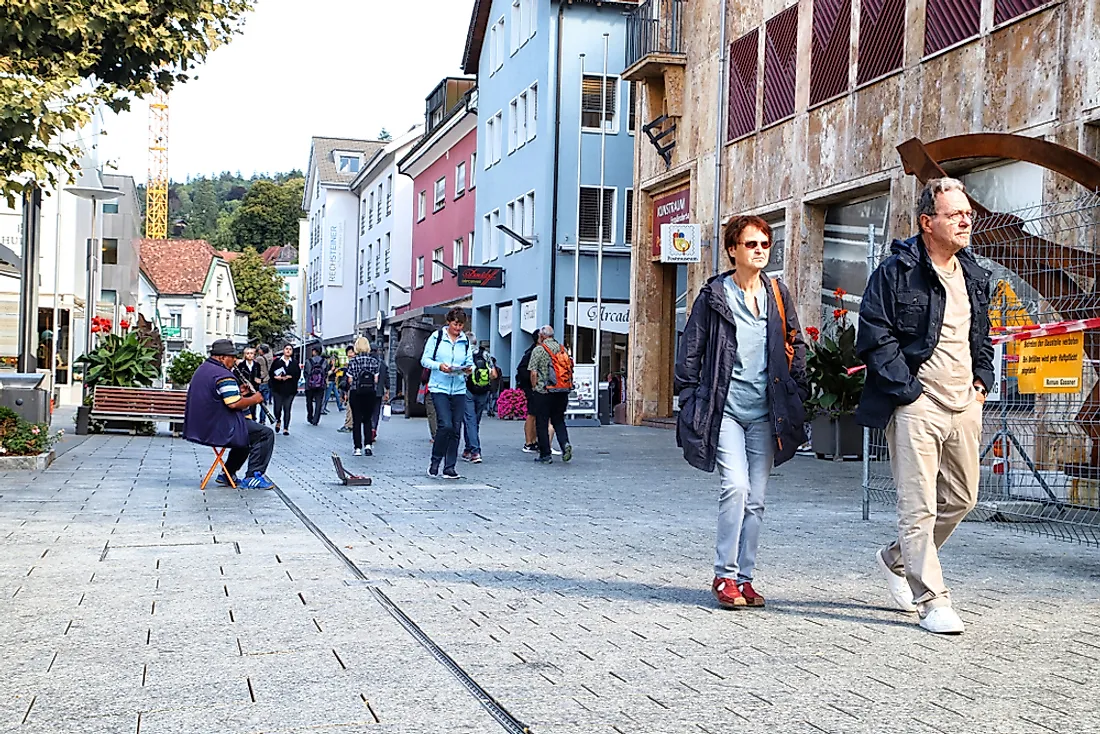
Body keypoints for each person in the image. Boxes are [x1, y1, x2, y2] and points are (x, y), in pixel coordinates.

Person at [857, 178, 992, 636]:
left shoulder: (974, 274)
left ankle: (896, 559)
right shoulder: (896, 272)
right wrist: (909, 391)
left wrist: (981, 382)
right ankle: (932, 599)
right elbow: (874, 334)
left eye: (967, 213)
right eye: (954, 213)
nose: (965, 220)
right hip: (916, 405)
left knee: (962, 498)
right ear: (926, 222)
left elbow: (982, 338)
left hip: (964, 405)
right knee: (919, 508)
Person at [675, 215, 808, 611]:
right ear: (733, 249)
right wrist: (690, 400)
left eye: (765, 244)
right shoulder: (715, 295)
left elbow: (795, 343)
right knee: (735, 486)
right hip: (725, 410)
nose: (760, 251)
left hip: (766, 411)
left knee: (758, 498)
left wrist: (798, 391)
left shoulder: (777, 293)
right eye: (751, 244)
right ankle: (724, 574)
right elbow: (692, 350)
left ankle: (745, 580)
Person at [183, 339, 274, 489]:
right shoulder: (223, 374)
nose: (234, 360)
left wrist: (239, 391)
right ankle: (253, 476)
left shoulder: (204, 369)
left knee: (247, 435)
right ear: (221, 357)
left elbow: (221, 395)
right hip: (218, 427)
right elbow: (234, 403)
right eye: (232, 357)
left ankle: (227, 473)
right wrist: (254, 399)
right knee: (265, 434)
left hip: (201, 425)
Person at [421, 308, 474, 478]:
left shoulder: (465, 341)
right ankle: (435, 461)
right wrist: (439, 366)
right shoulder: (436, 338)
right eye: (455, 324)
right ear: (448, 322)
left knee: (456, 428)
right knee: (446, 425)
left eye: (461, 325)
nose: (458, 328)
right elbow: (425, 360)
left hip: (458, 388)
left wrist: (468, 369)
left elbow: (469, 361)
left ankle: (449, 467)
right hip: (439, 387)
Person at [527, 325, 574, 464]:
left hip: (544, 391)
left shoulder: (539, 350)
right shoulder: (562, 348)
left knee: (541, 423)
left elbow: (533, 372)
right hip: (562, 391)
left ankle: (545, 454)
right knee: (558, 420)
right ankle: (565, 444)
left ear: (541, 336)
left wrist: (534, 387)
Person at [462, 341, 498, 463]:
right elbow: (494, 374)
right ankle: (468, 448)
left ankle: (475, 451)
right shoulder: (486, 354)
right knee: (474, 421)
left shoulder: (464, 353)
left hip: (468, 390)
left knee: (469, 420)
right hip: (483, 391)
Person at [345, 337, 380, 456]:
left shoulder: (353, 362)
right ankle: (368, 445)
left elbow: (349, 380)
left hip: (356, 392)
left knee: (356, 420)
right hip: (370, 393)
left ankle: (357, 448)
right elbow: (376, 379)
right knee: (368, 419)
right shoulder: (373, 361)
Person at [269, 344, 301, 436]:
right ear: (283, 350)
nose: (288, 351)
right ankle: (278, 420)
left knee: (287, 408)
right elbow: (271, 373)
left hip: (290, 390)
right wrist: (276, 377)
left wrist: (290, 376)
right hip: (278, 389)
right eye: (286, 349)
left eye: (290, 349)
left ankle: (286, 428)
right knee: (277, 408)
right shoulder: (277, 362)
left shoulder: (294, 363)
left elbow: (297, 375)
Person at [370, 345, 390, 443]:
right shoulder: (382, 363)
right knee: (376, 412)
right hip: (378, 391)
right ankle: (374, 429)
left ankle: (369, 429)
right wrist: (387, 390)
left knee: (368, 411)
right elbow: (387, 378)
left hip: (367, 391)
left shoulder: (368, 362)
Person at [237, 347, 263, 421]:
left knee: (253, 408)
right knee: (244, 407)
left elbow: (259, 376)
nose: (250, 355)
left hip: (254, 389)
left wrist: (259, 381)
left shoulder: (257, 365)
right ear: (245, 355)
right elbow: (237, 376)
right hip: (244, 390)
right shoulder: (241, 365)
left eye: (251, 353)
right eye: (247, 353)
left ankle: (253, 420)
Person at [303, 346, 328, 425]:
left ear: (314, 351)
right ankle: (316, 419)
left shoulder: (308, 361)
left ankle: (310, 416)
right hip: (320, 385)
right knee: (318, 402)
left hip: (309, 385)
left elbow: (305, 374)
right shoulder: (324, 361)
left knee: (309, 401)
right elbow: (326, 373)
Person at [337, 345, 354, 433]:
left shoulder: (352, 364)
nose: (350, 354)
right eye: (349, 353)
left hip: (352, 388)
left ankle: (349, 425)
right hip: (351, 388)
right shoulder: (347, 364)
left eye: (352, 352)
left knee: (350, 407)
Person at [255, 344, 272, 425]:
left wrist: (259, 378)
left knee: (254, 401)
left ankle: (255, 418)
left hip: (261, 382)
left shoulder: (259, 359)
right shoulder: (270, 358)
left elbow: (261, 371)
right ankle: (263, 420)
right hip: (267, 381)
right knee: (264, 402)